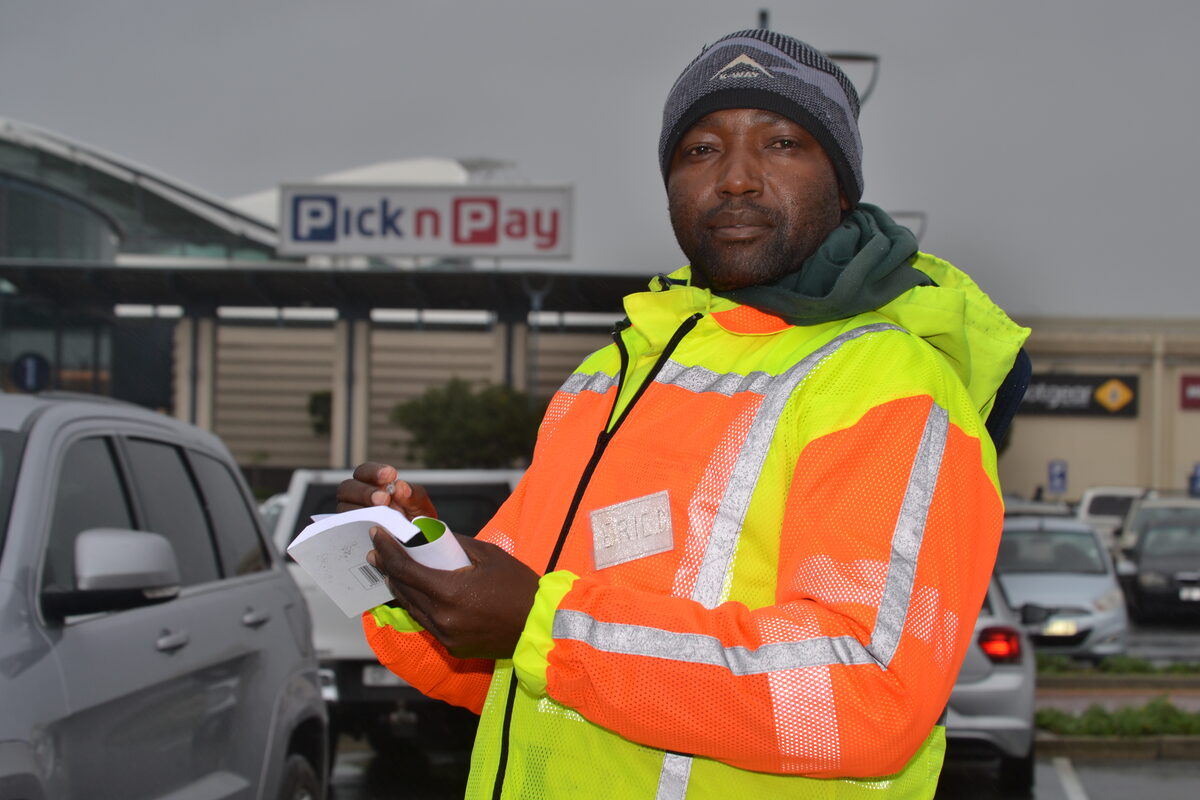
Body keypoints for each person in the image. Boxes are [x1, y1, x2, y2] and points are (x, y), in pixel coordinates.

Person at [337, 28, 1029, 799]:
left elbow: (864, 694)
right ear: (668, 184)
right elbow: (495, 669)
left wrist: (545, 627)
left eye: (781, 143)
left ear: (842, 189)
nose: (735, 179)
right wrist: (416, 564)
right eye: (700, 150)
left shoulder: (887, 382)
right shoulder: (611, 378)